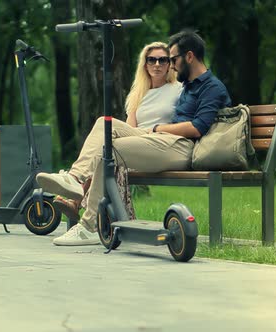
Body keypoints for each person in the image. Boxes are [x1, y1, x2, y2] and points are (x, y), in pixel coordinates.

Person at [38, 29, 232, 246]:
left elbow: (197, 128)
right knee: (105, 123)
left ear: (188, 57)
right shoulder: (188, 86)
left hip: (182, 148)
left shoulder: (211, 87)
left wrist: (158, 129)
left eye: (173, 59)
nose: (172, 65)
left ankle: (88, 225)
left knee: (108, 149)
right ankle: (75, 180)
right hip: (163, 141)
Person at [53, 41, 182, 224]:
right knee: (105, 141)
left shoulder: (178, 90)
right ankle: (76, 201)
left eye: (163, 60)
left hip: (160, 144)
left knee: (104, 125)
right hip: (137, 141)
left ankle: (75, 183)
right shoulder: (138, 94)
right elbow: (129, 129)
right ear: (144, 64)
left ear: (170, 64)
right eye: (152, 60)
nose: (157, 64)